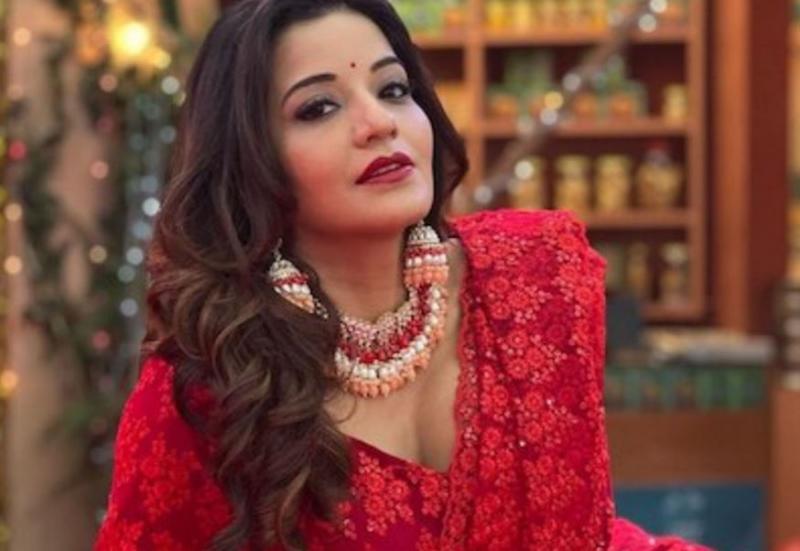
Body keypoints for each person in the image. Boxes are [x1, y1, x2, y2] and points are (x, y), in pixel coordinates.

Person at [94, 1, 713, 549]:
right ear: (251, 159)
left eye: (393, 89)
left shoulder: (534, 280)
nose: (379, 123)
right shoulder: (206, 386)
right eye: (319, 107)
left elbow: (579, 530)